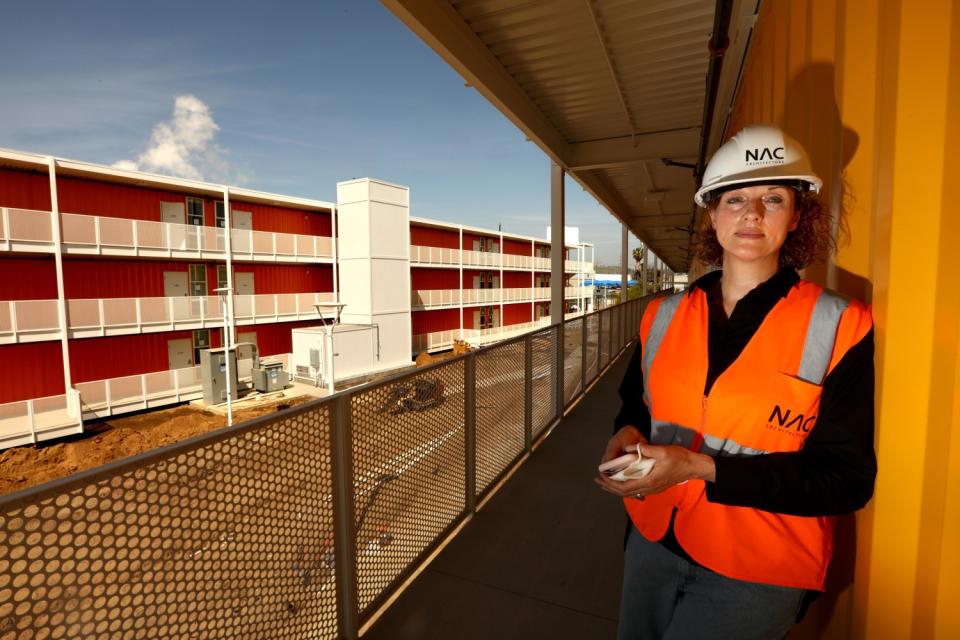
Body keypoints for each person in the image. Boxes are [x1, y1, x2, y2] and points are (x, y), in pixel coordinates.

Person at [595, 124, 876, 639]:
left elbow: (846, 479)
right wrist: (627, 434)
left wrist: (699, 467)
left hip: (757, 570)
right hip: (653, 541)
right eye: (736, 199)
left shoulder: (843, 324)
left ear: (796, 217)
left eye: (773, 198)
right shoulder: (661, 314)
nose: (752, 213)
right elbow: (635, 403)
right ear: (713, 214)